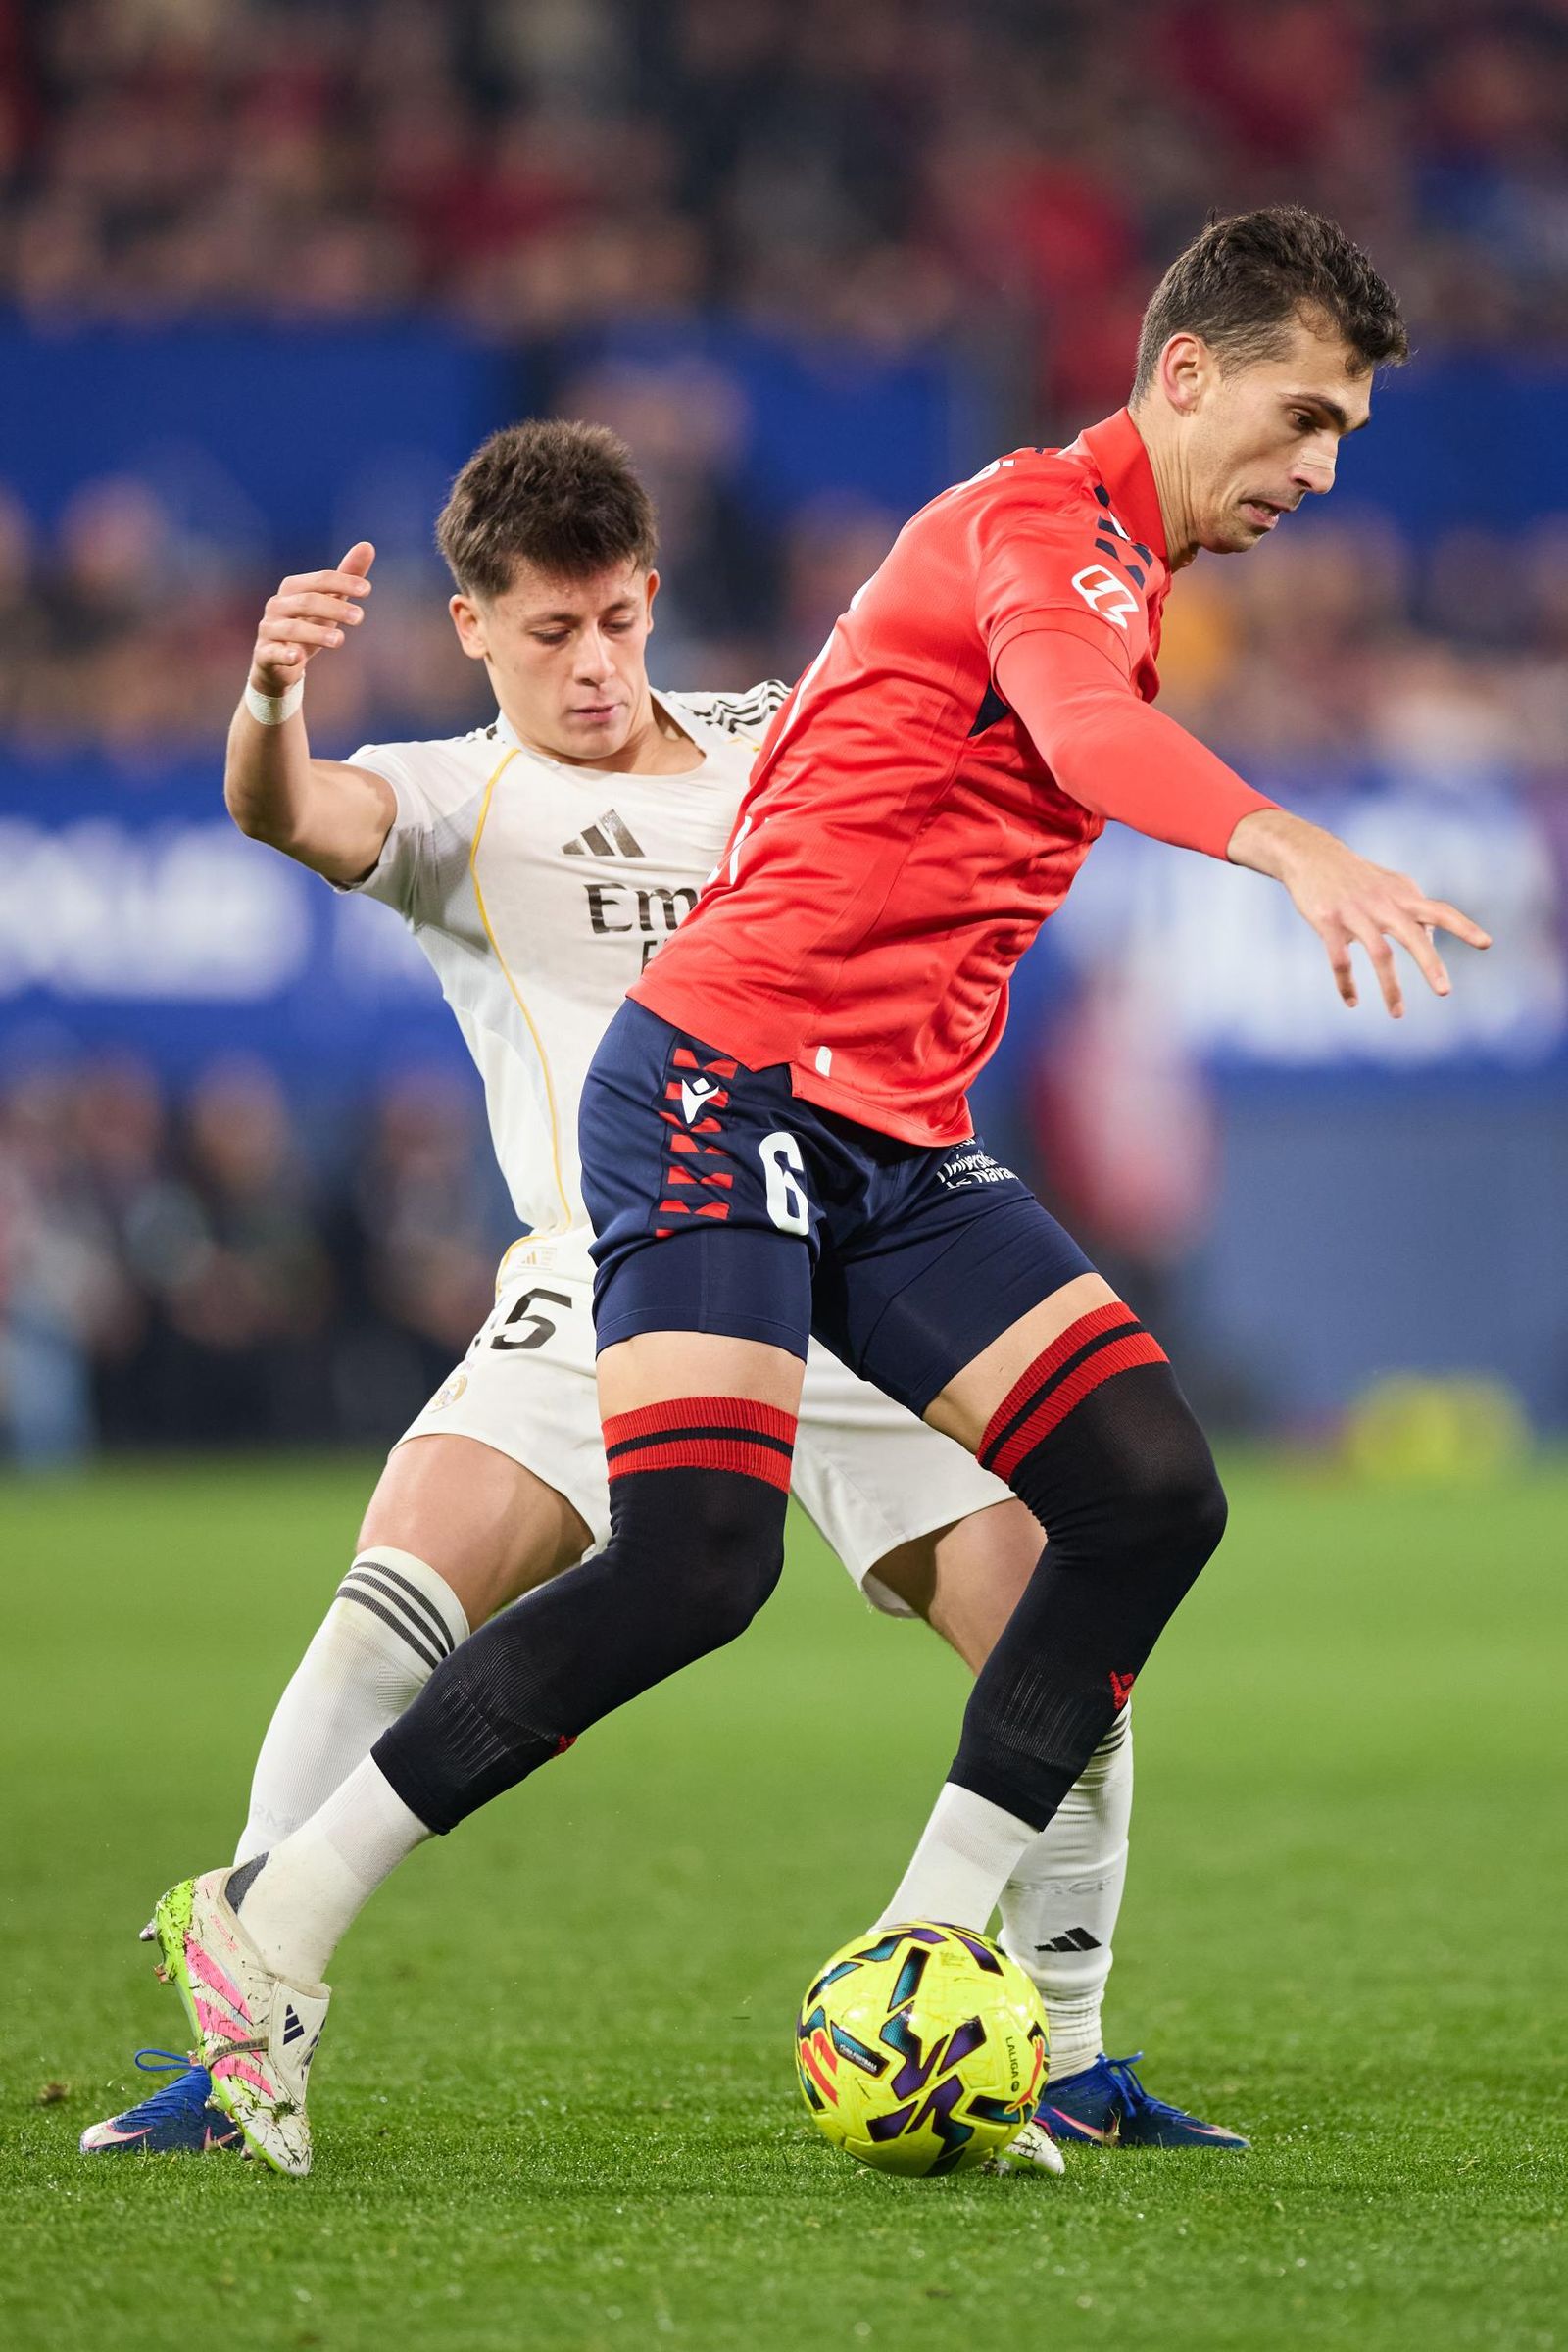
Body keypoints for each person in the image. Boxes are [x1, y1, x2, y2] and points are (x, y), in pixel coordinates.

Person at [146, 208, 1492, 2178]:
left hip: (888, 1138)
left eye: (1347, 435)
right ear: (1184, 373)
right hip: (719, 1083)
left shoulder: (1101, 580)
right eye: (1303, 418)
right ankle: (267, 1927)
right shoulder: (1034, 527)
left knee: (1144, 1492)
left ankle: (934, 1950)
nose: (1320, 469)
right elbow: (1082, 730)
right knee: (696, 1567)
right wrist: (1291, 845)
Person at [87, 419, 1227, 2167]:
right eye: (550, 632)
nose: (595, 665)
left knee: (1068, 1617)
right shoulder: (456, 796)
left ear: (654, 597)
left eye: (618, 620)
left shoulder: (776, 739)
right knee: (394, 1595)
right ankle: (241, 2038)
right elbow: (288, 809)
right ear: (472, 628)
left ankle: (1061, 2051)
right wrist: (265, 700)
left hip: (848, 1236)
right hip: (611, 1265)